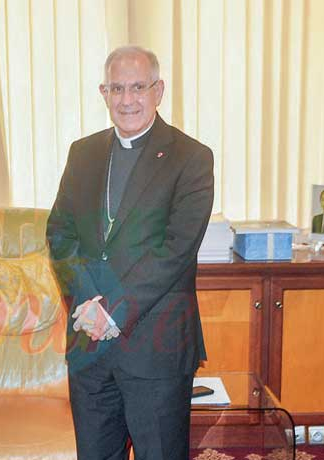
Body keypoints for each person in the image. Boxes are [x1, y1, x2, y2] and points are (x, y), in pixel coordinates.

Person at [46, 45, 214, 460]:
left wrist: (113, 310)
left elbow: (175, 250)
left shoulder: (191, 158)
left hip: (155, 347)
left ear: (159, 90)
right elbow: (60, 231)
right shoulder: (81, 153)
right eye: (116, 88)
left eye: (138, 87)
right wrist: (86, 302)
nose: (127, 99)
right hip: (90, 345)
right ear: (103, 92)